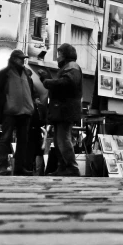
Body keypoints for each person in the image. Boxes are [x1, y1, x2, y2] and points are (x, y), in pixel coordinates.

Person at [0, 49, 37, 176]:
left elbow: (31, 91)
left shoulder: (26, 75)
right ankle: (2, 167)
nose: (23, 61)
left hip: (25, 111)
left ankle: (19, 167)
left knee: (23, 141)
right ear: (14, 59)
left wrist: (32, 104)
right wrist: (5, 102)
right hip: (10, 111)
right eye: (21, 59)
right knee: (5, 139)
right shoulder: (4, 74)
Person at [40, 43, 83, 177]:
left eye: (59, 54)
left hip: (65, 109)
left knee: (63, 139)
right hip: (62, 109)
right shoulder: (69, 67)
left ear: (65, 55)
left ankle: (71, 167)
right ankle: (63, 166)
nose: (57, 57)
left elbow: (67, 83)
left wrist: (47, 82)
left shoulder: (72, 67)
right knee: (59, 140)